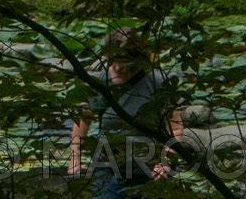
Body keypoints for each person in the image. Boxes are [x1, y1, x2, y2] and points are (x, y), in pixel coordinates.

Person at [70, 29, 183, 197]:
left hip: (149, 168)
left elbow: (175, 127)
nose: (121, 67)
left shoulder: (157, 83)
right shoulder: (99, 80)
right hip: (108, 166)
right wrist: (75, 158)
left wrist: (166, 161)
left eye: (127, 62)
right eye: (116, 60)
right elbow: (82, 121)